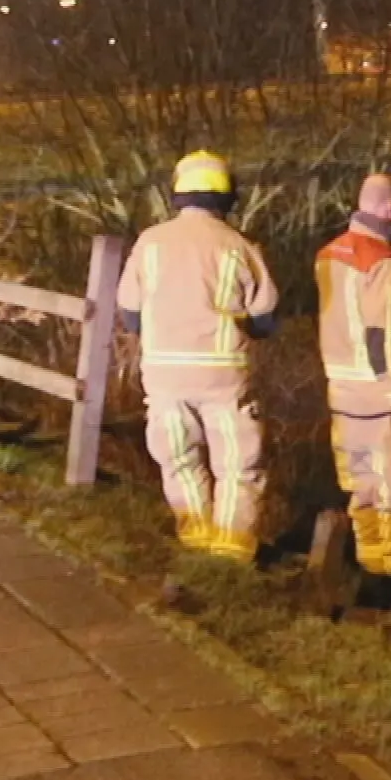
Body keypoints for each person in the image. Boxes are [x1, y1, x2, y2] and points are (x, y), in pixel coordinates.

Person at [116, 151, 280, 562]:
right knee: (239, 465)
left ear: (177, 195)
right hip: (224, 376)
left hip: (164, 372)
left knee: (178, 458)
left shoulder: (149, 243)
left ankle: (195, 537)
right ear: (227, 198)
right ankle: (231, 549)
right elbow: (265, 316)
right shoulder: (239, 246)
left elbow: (130, 311)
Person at [316, 173, 391, 577]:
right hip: (381, 398)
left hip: (343, 397)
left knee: (361, 487)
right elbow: (384, 341)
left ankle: (369, 572)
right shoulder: (386, 263)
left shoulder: (328, 255)